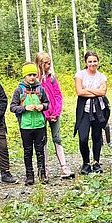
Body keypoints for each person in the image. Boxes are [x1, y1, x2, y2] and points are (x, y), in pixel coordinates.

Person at [35, 51, 75, 179]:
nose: (48, 65)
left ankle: (64, 166)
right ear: (40, 64)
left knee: (57, 138)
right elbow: (37, 100)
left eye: (49, 63)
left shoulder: (52, 78)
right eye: (46, 63)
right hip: (41, 114)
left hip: (54, 114)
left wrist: (56, 112)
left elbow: (58, 95)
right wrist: (46, 114)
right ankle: (43, 169)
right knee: (43, 141)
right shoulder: (35, 81)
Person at [10, 62, 50, 186]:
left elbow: (47, 103)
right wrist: (25, 108)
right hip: (25, 126)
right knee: (27, 151)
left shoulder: (40, 89)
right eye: (29, 75)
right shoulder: (19, 90)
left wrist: (42, 106)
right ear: (24, 76)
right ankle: (29, 176)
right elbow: (12, 107)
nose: (32, 77)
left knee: (40, 151)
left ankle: (42, 175)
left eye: (33, 74)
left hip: (39, 125)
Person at [74, 51, 109, 175]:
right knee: (83, 138)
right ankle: (85, 162)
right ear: (86, 62)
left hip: (99, 110)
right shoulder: (80, 75)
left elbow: (103, 92)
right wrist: (95, 91)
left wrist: (87, 90)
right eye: (90, 61)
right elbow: (79, 92)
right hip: (84, 110)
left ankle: (96, 162)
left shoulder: (102, 76)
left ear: (98, 62)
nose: (92, 64)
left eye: (95, 61)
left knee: (97, 137)